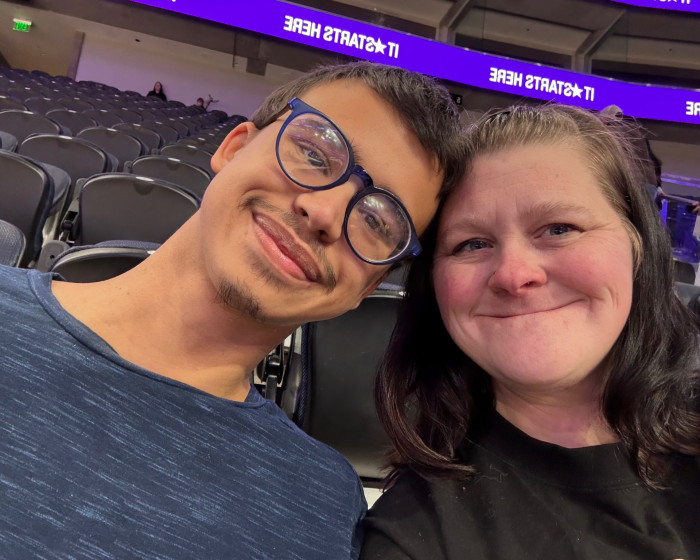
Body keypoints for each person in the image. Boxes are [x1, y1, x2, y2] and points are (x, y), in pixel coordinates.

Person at [0, 62, 465, 558]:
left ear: (369, 286)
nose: (324, 213)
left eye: (378, 221)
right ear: (235, 147)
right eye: (314, 153)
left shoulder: (323, 505)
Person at [362, 103, 700, 559]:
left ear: (637, 244)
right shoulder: (411, 537)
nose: (513, 274)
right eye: (472, 244)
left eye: (559, 228)